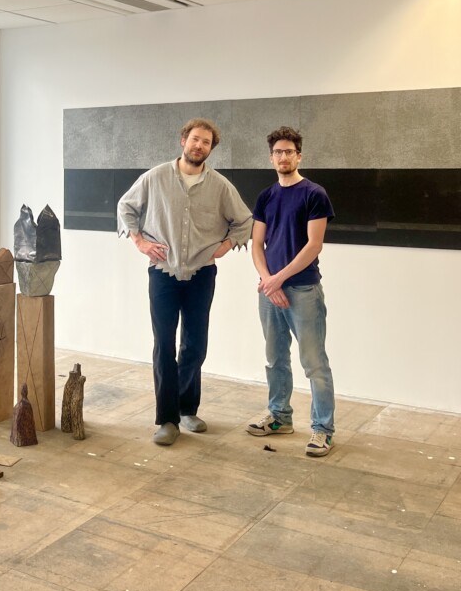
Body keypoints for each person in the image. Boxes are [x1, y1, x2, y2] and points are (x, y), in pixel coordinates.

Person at [117, 118, 252, 446]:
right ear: (183, 140)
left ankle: (186, 408)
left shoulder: (220, 186)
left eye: (206, 142)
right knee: (164, 345)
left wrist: (223, 248)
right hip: (162, 273)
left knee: (195, 345)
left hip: (201, 275)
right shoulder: (155, 177)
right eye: (195, 139)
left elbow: (244, 221)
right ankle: (167, 419)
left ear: (210, 148)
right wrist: (140, 243)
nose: (199, 145)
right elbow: (126, 207)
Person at [247, 126, 336, 457]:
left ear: (299, 156)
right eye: (277, 152)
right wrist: (267, 280)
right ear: (271, 158)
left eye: (289, 151)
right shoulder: (266, 197)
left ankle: (323, 429)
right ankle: (280, 418)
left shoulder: (314, 194)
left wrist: (277, 279)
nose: (283, 157)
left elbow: (314, 245)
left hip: (303, 290)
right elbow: (257, 243)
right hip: (270, 291)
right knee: (275, 359)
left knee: (314, 363)